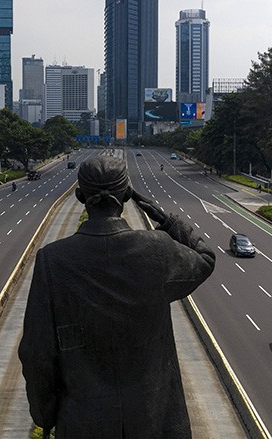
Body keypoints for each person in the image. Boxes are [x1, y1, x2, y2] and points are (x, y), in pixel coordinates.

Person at [19, 155, 216, 438]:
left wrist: (46, 416)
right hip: (155, 423)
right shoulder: (157, 250)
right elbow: (205, 259)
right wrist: (165, 219)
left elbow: (37, 353)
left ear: (79, 196)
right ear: (126, 195)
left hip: (82, 426)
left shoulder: (53, 261)